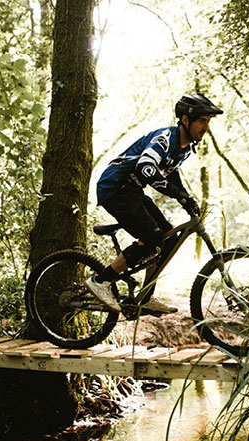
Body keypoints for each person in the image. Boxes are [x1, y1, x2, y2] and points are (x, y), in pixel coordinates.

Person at [85, 92, 224, 313]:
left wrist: (185, 197)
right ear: (185, 120)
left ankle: (146, 296)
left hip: (131, 189)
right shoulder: (165, 138)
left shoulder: (185, 148)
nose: (205, 127)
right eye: (201, 121)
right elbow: (146, 168)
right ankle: (101, 281)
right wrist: (178, 194)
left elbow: (170, 174)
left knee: (168, 238)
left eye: (207, 122)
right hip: (114, 186)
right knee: (151, 236)